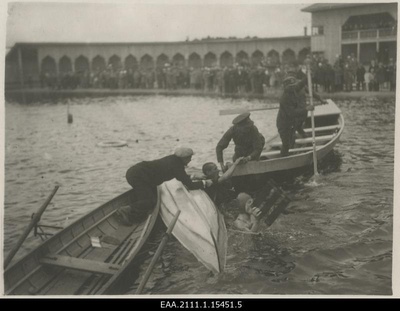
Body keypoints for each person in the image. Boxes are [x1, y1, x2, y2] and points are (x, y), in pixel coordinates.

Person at [116, 147, 213, 226]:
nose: (190, 159)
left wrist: (193, 176)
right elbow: (190, 185)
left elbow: (181, 176)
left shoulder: (173, 159)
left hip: (137, 173)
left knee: (151, 197)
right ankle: (125, 210)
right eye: (189, 157)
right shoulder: (177, 166)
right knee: (150, 201)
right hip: (138, 176)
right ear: (184, 158)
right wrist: (205, 183)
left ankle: (135, 211)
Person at [277, 73, 315, 157]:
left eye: (293, 85)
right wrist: (306, 109)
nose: (293, 87)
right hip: (284, 124)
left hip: (291, 123)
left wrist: (308, 76)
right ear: (286, 87)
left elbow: (300, 84)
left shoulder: (293, 90)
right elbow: (292, 113)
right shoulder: (284, 98)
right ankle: (283, 160)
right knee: (286, 144)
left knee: (292, 140)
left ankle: (291, 155)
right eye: (290, 86)